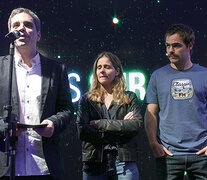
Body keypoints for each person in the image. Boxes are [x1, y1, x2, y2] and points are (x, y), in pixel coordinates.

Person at [0, 7, 74, 180]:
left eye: (27, 24)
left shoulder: (57, 69)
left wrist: (53, 124)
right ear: (10, 32)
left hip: (44, 166)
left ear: (38, 34)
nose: (21, 28)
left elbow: (67, 109)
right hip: (6, 167)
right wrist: (6, 128)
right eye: (16, 25)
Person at [145, 23, 207, 180]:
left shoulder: (204, 74)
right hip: (169, 154)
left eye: (176, 46)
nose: (170, 50)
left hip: (202, 154)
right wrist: (153, 143)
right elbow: (151, 112)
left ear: (190, 45)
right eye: (167, 46)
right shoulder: (158, 76)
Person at [76, 51, 142, 180]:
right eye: (99, 67)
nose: (102, 71)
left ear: (117, 71)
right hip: (94, 164)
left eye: (107, 67)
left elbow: (135, 125)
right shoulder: (87, 99)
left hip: (123, 163)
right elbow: (82, 131)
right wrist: (121, 129)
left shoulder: (129, 97)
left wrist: (100, 124)